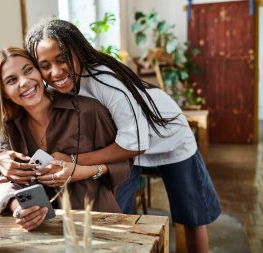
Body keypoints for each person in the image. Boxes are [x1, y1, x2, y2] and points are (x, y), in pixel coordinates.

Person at [25, 18, 221, 253]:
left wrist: (74, 159)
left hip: (169, 139)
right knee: (119, 216)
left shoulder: (105, 80)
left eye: (62, 59)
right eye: (44, 65)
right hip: (124, 149)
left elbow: (135, 145)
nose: (55, 72)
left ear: (78, 51)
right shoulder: (58, 88)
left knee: (192, 215)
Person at [0, 47, 132, 231]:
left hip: (98, 223)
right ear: (4, 92)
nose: (24, 82)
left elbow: (123, 164)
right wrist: (19, 208)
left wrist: (82, 171)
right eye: (11, 80)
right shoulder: (12, 127)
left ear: (39, 72)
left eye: (28, 70)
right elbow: (4, 179)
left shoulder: (88, 111)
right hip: (44, 230)